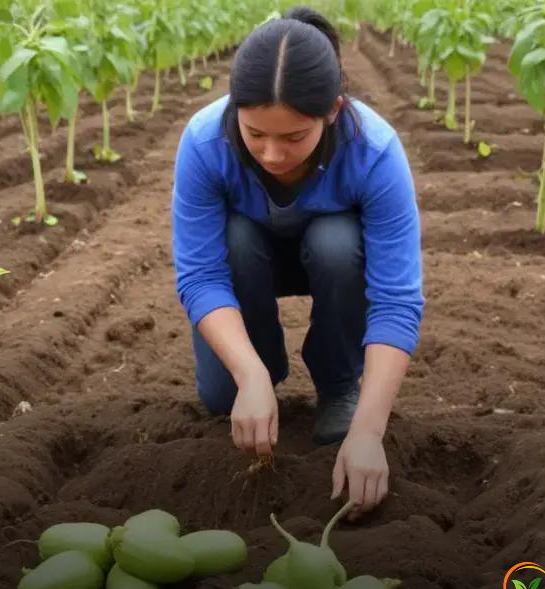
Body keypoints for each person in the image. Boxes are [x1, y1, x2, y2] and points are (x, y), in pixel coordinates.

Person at [169, 5, 424, 520]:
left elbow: (396, 301)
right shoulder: (204, 141)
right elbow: (200, 275)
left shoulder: (373, 150)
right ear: (234, 109)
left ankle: (337, 383)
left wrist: (369, 432)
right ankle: (260, 370)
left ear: (332, 111)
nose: (271, 154)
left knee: (336, 240)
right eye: (255, 133)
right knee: (223, 395)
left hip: (333, 262)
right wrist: (250, 376)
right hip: (246, 260)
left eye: (293, 137)